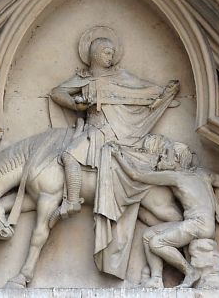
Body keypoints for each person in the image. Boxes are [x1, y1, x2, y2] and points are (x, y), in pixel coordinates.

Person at [49, 35, 180, 278]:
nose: (110, 56)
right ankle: (72, 199)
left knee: (68, 153)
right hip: (92, 131)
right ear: (95, 54)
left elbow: (145, 87)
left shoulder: (122, 77)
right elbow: (58, 92)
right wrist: (76, 105)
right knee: (67, 154)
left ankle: (72, 201)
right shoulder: (84, 78)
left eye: (112, 52)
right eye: (106, 52)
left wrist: (163, 93)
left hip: (110, 134)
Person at [111, 140, 219, 288]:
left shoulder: (176, 177)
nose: (161, 157)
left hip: (197, 225)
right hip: (198, 224)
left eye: (165, 155)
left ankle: (190, 272)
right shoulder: (202, 174)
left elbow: (136, 175)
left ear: (176, 160)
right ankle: (156, 279)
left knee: (156, 243)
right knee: (148, 235)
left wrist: (118, 156)